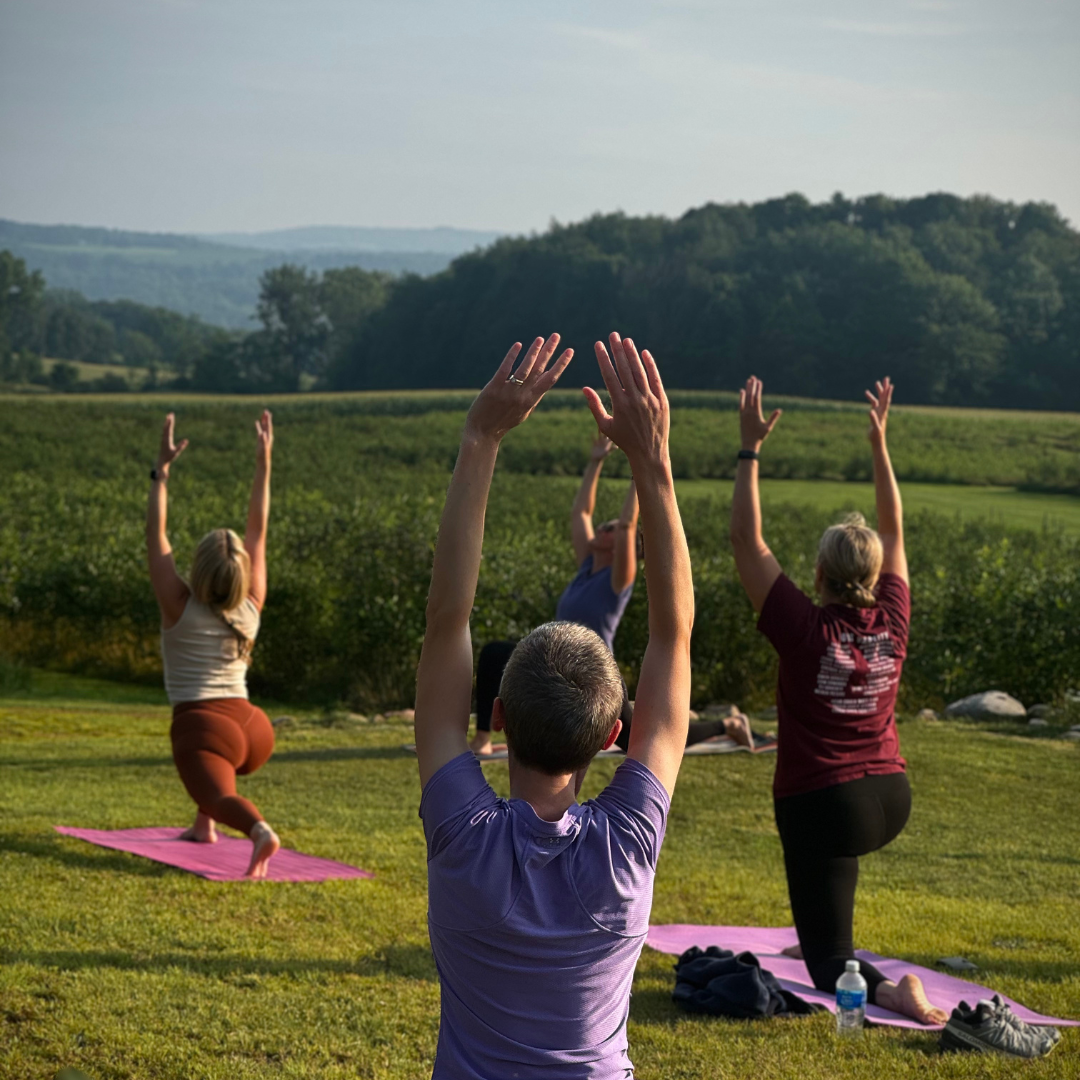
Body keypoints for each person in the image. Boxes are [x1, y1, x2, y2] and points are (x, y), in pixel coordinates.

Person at [414, 331, 694, 1078]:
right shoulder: (627, 844)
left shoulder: (464, 837)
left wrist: (480, 439)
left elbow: (448, 621)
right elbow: (673, 636)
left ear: (498, 718)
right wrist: (653, 460)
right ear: (613, 734)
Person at [729, 375, 947, 1025]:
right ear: (875, 576)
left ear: (819, 575)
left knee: (829, 965)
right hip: (891, 797)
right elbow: (894, 529)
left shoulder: (804, 627)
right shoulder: (894, 617)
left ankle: (889, 989)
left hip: (826, 804)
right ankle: (822, 925)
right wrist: (879, 444)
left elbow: (746, 542)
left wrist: (749, 449)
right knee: (824, 909)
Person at [470, 432, 739, 756]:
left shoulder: (618, 578)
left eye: (609, 529)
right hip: (555, 658)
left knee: (641, 739)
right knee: (494, 655)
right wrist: (596, 460)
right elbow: (581, 513)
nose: (602, 528)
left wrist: (640, 469)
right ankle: (482, 739)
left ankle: (727, 725)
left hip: (594, 669)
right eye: (604, 526)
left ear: (624, 547)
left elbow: (627, 526)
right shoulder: (587, 566)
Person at [146, 410, 281, 879]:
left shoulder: (178, 603)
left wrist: (161, 472)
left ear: (198, 568)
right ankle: (203, 826)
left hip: (203, 726)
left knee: (220, 794)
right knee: (213, 777)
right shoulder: (252, 602)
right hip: (254, 728)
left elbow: (155, 536)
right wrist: (263, 461)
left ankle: (260, 831)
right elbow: (258, 529)